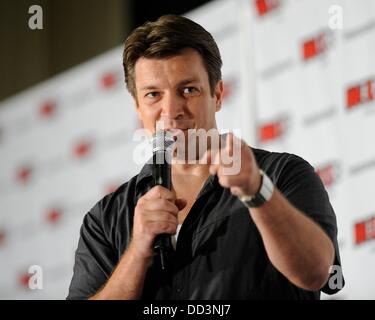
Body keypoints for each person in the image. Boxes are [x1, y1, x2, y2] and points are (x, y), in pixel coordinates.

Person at [67, 14, 343, 300]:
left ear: (218, 94)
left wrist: (258, 191)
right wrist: (137, 251)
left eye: (188, 90)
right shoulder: (107, 217)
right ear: (138, 107)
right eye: (153, 95)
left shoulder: (282, 174)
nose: (171, 110)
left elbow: (321, 274)